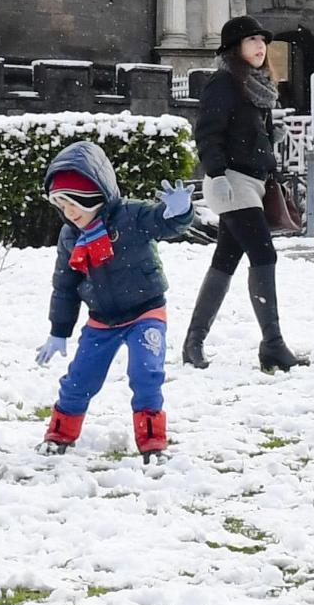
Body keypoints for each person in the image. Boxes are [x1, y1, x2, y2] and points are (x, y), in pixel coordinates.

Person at [34, 139, 194, 461]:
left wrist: (179, 212)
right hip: (102, 319)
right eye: (61, 205)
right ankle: (59, 434)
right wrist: (58, 330)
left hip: (145, 311)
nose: (68, 213)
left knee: (146, 374)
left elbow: (162, 222)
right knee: (80, 378)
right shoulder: (71, 237)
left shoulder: (130, 216)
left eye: (74, 203)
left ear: (94, 194)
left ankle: (152, 443)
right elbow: (64, 286)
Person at [182, 16, 306, 372]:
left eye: (263, 40)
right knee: (264, 255)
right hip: (232, 182)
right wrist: (216, 174)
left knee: (225, 261)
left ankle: (194, 342)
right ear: (235, 48)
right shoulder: (223, 83)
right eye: (251, 40)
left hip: (252, 182)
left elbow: (244, 132)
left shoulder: (256, 86)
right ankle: (273, 345)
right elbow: (209, 132)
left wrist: (268, 138)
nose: (260, 46)